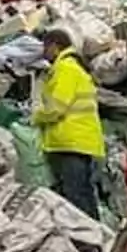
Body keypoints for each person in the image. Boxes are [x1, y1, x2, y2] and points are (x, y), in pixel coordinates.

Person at [33, 28, 105, 219]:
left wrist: (36, 117)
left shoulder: (65, 68)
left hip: (71, 143)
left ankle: (87, 243)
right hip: (78, 141)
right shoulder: (71, 67)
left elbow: (57, 107)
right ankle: (95, 240)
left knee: (77, 199)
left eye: (45, 48)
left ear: (55, 47)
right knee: (83, 196)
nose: (44, 52)